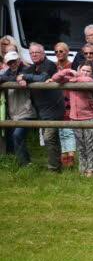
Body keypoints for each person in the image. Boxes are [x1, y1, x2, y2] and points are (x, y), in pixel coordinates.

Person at [17, 43, 65, 171]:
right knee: (51, 138)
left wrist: (25, 77)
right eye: (32, 53)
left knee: (49, 137)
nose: (34, 55)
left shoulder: (49, 65)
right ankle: (57, 165)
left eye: (37, 52)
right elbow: (19, 75)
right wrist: (20, 78)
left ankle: (53, 168)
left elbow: (43, 78)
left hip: (53, 108)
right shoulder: (32, 68)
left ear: (43, 53)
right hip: (42, 110)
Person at [51, 63, 93, 176]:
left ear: (91, 73)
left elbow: (87, 80)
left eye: (88, 71)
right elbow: (55, 78)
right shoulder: (72, 79)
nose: (85, 73)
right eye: (83, 70)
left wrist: (72, 80)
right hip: (75, 117)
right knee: (81, 145)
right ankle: (82, 170)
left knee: (90, 144)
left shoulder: (89, 80)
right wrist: (68, 71)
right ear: (78, 70)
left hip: (90, 117)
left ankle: (91, 170)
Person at [0, 51, 36, 166]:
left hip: (26, 112)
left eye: (14, 61)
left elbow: (15, 77)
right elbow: (7, 77)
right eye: (9, 62)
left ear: (19, 59)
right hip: (12, 113)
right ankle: (16, 162)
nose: (12, 64)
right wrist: (14, 78)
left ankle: (25, 163)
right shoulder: (7, 72)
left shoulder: (27, 69)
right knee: (12, 138)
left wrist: (9, 78)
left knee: (17, 135)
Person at [53, 41, 76, 167]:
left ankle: (71, 155)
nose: (58, 54)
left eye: (61, 51)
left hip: (68, 98)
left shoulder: (72, 65)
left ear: (67, 52)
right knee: (59, 129)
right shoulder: (53, 65)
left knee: (68, 129)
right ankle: (63, 154)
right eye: (56, 51)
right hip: (56, 99)